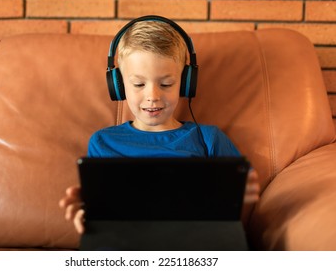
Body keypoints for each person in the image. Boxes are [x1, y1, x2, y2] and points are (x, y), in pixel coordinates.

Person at [59, 16, 260, 235]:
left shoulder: (208, 139)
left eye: (166, 84)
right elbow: (100, 210)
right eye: (138, 84)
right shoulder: (102, 142)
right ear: (119, 85)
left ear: (185, 83)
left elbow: (243, 202)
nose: (153, 96)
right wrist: (89, 216)